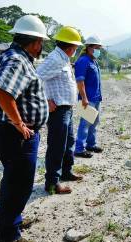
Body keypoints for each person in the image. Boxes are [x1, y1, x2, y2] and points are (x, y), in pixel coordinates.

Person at [0, 15, 49, 242]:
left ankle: (10, 221)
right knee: (19, 184)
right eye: (41, 43)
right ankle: (9, 237)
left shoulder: (15, 56)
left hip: (15, 134)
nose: (41, 47)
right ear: (35, 41)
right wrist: (19, 124)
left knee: (13, 181)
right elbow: (3, 90)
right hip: (17, 136)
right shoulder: (17, 60)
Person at [36, 26, 84, 195]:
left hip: (67, 109)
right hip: (58, 111)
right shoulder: (55, 59)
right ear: (71, 47)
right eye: (76, 47)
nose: (76, 50)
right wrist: (46, 100)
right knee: (57, 146)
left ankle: (66, 171)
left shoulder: (63, 58)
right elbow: (35, 78)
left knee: (68, 143)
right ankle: (52, 183)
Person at [74, 36, 104, 158]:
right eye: (97, 48)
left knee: (95, 122)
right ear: (89, 47)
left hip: (96, 98)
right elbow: (80, 81)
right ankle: (79, 149)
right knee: (85, 123)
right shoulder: (83, 61)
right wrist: (84, 98)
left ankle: (91, 144)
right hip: (87, 99)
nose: (99, 50)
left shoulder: (94, 61)